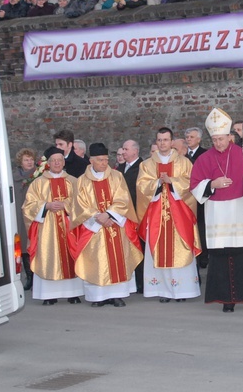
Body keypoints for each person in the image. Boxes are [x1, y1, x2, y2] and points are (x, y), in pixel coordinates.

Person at [190, 108, 243, 313]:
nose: (218, 143)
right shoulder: (204, 159)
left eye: (221, 139)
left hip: (239, 210)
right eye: (214, 139)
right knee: (221, 257)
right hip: (216, 213)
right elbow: (195, 186)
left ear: (230, 137)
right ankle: (227, 300)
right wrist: (212, 183)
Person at [72, 143, 143, 307]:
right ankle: (98, 297)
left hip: (115, 224)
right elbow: (79, 204)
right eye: (100, 160)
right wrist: (98, 217)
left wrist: (109, 215)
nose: (104, 163)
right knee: (97, 260)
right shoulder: (82, 181)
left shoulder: (117, 176)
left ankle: (117, 295)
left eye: (106, 160)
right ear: (91, 161)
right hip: (94, 228)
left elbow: (123, 198)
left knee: (117, 259)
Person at [136, 128, 201, 303]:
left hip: (179, 214)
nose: (162, 143)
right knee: (158, 250)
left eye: (166, 140)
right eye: (159, 140)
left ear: (172, 142)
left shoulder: (184, 163)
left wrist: (172, 181)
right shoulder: (147, 164)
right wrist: (158, 182)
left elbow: (192, 182)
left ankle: (182, 292)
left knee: (181, 248)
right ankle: (163, 291)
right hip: (156, 214)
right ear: (156, 142)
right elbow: (141, 187)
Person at [22, 147, 84, 305]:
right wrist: (46, 205)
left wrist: (66, 204)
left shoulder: (73, 181)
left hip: (68, 226)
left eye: (60, 160)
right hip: (47, 228)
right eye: (53, 161)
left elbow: (81, 202)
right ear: (48, 163)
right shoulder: (38, 182)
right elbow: (28, 206)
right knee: (48, 256)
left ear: (64, 162)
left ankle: (73, 293)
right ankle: (48, 295)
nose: (57, 163)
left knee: (70, 255)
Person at [119, 139, 144, 292]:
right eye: (123, 149)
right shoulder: (121, 168)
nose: (123, 152)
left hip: (136, 213)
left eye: (126, 149)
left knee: (138, 248)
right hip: (122, 215)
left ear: (135, 151)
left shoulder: (142, 167)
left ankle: (140, 282)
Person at [13, 147, 37, 289]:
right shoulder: (15, 177)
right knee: (22, 246)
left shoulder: (38, 175)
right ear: (20, 162)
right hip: (18, 214)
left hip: (32, 215)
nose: (29, 162)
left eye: (31, 159)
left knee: (32, 244)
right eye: (26, 160)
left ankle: (35, 275)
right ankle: (29, 276)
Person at [184, 127, 209, 268]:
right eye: (187, 137)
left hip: (200, 196)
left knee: (201, 227)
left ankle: (203, 257)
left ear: (199, 139)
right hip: (186, 194)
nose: (189, 139)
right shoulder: (181, 155)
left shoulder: (204, 154)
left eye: (192, 137)